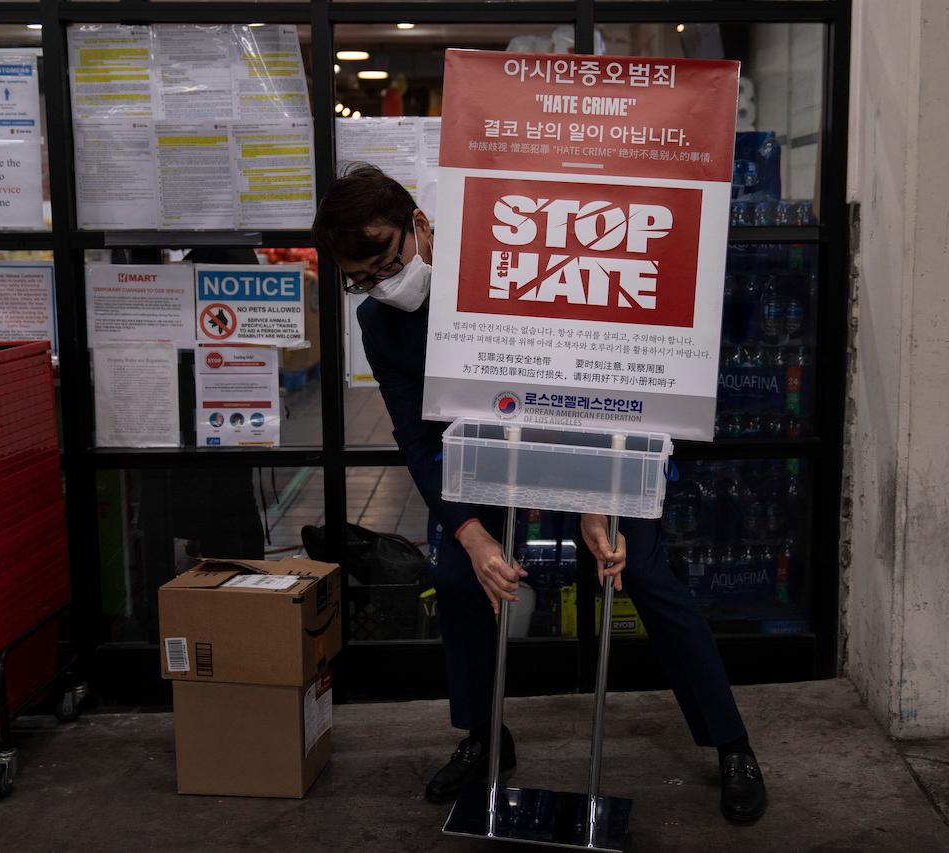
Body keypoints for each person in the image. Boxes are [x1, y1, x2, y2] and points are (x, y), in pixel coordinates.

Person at [313, 164, 767, 824]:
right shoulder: (381, 325)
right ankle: (484, 736)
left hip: (584, 433)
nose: (381, 285)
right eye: (360, 279)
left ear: (419, 223)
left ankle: (733, 743)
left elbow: (584, 376)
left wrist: (593, 503)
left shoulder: (508, 264)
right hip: (487, 457)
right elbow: (417, 438)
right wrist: (470, 534)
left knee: (641, 567)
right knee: (457, 575)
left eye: (385, 261)